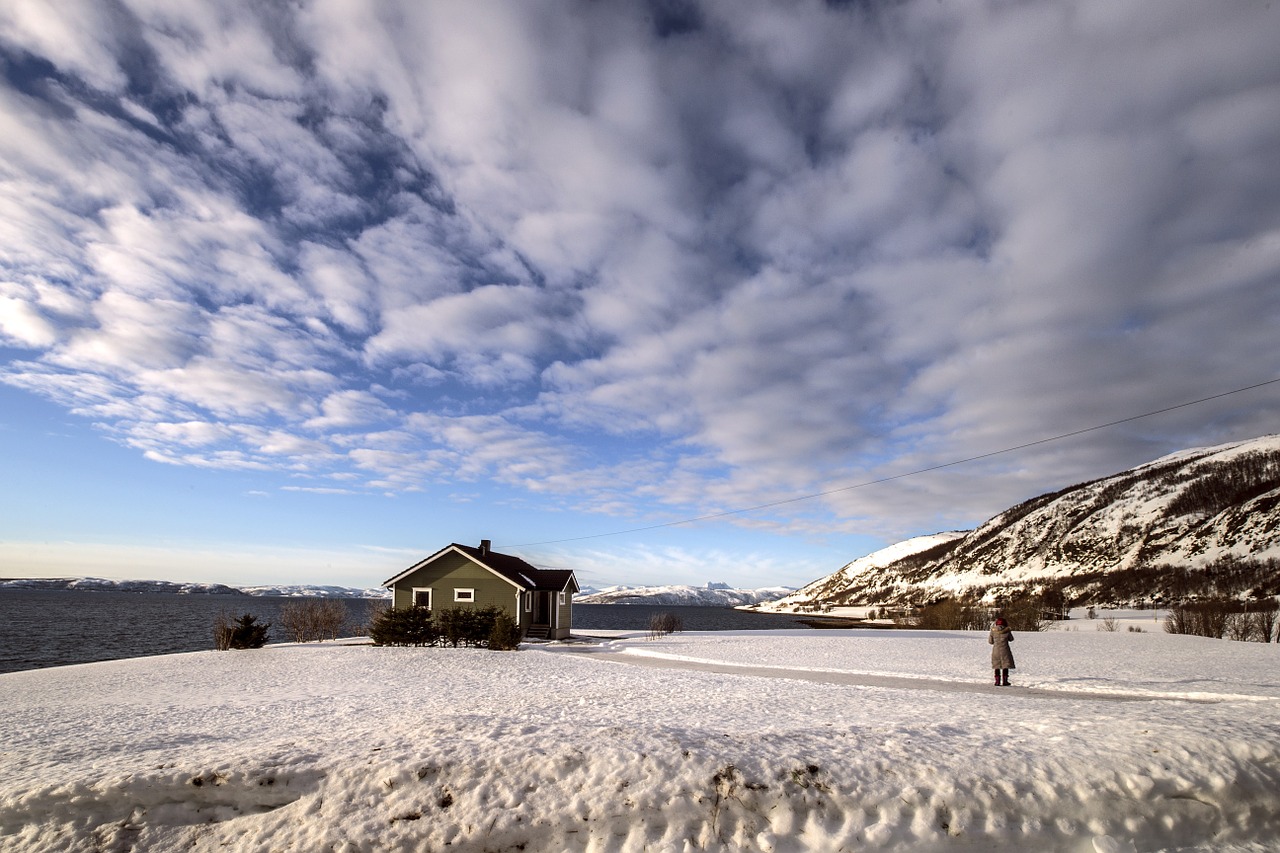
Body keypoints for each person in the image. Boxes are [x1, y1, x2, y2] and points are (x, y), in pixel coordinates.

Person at [989, 616, 1015, 686]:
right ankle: (1005, 681)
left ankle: (997, 681)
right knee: (1005, 666)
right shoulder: (1007, 631)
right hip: (1005, 650)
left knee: (997, 666)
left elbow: (990, 642)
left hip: (996, 651)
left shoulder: (993, 631)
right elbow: (1011, 639)